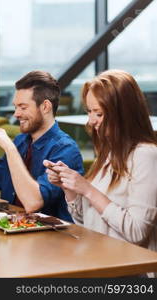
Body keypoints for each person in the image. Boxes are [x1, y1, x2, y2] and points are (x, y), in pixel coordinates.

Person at [45, 70, 157, 276]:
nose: (91, 121)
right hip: (98, 261)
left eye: (99, 113)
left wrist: (87, 189)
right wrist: (68, 186)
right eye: (89, 112)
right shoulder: (108, 153)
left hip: (131, 273)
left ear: (122, 113)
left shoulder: (146, 156)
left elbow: (137, 232)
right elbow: (83, 221)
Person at [0, 71, 83, 222]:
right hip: (11, 231)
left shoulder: (66, 149)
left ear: (45, 107)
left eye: (23, 107)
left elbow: (33, 203)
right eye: (16, 107)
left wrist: (10, 149)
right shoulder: (21, 141)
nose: (16, 114)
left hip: (51, 240)